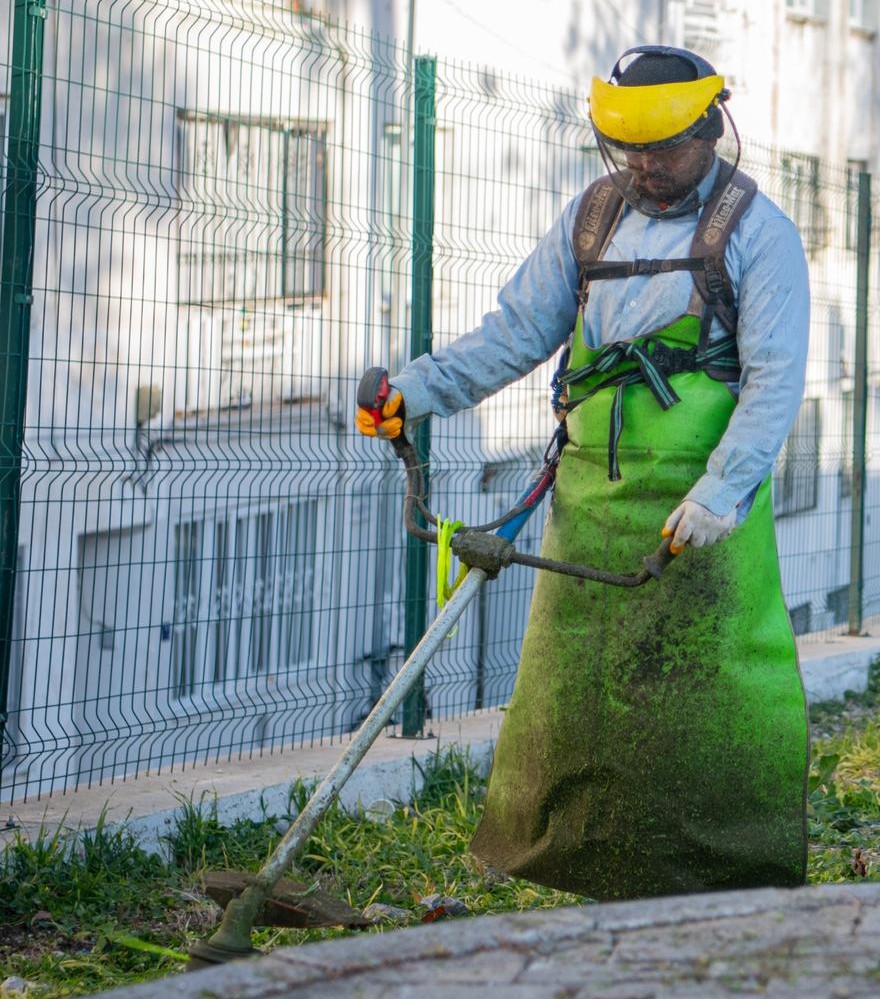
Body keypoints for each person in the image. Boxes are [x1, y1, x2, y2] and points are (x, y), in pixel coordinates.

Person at [356, 46, 810, 898]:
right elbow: (513, 333)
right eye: (626, 148)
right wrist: (416, 390)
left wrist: (722, 489)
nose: (643, 166)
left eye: (663, 149)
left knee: (702, 681)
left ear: (712, 130)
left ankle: (715, 861)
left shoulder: (757, 232)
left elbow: (776, 378)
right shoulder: (592, 218)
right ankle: (566, 850)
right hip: (590, 498)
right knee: (579, 678)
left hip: (699, 504)